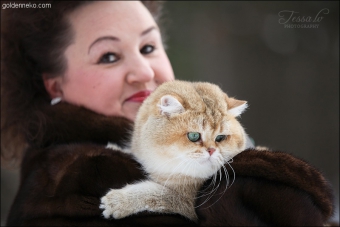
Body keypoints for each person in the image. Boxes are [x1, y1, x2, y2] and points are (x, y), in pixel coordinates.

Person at [1, 1, 335, 226]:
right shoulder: (76, 180)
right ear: (55, 86)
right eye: (108, 56)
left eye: (148, 47)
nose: (144, 72)